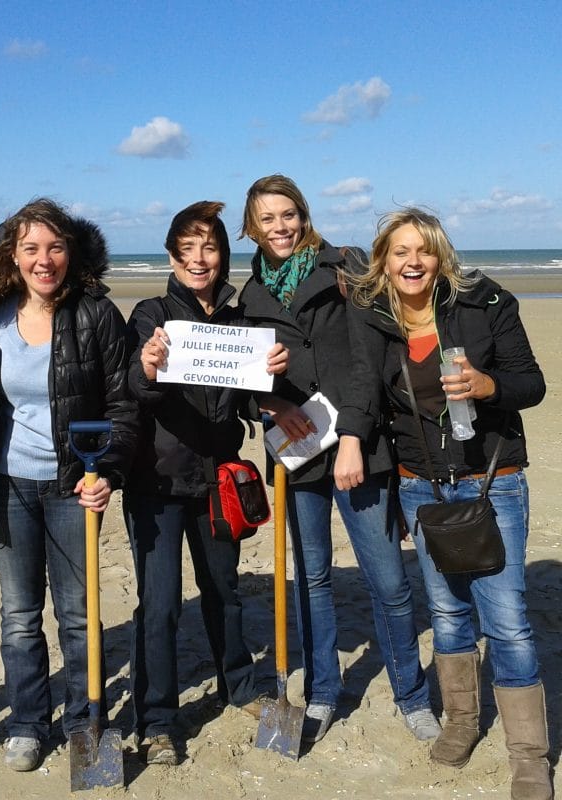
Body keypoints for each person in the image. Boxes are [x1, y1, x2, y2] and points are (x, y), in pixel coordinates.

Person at [349, 208, 550, 799]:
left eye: (424, 250)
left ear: (441, 256)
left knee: (507, 621)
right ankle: (462, 721)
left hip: (493, 481)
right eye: (400, 252)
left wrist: (488, 386)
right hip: (422, 486)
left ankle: (529, 755)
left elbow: (532, 384)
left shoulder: (485, 304)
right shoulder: (375, 320)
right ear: (383, 261)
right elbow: (362, 397)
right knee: (447, 612)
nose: (413, 262)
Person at [236, 175, 440, 744]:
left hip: (360, 445)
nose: (280, 227)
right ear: (252, 228)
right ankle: (323, 692)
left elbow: (371, 360)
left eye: (288, 214)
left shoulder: (346, 267)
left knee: (388, 580)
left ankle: (411, 694)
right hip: (297, 452)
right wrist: (270, 403)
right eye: (267, 218)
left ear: (303, 215)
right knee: (313, 579)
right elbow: (239, 383)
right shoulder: (248, 296)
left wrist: (353, 434)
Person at [0, 198, 137, 772]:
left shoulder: (97, 315)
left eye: (55, 247)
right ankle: (28, 723)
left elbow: (124, 405)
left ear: (71, 253)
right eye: (31, 248)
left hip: (74, 485)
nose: (43, 260)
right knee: (20, 613)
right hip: (4, 484)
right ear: (12, 254)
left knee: (77, 613)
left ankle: (83, 720)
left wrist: (110, 472)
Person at [124, 201, 289, 765]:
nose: (199, 259)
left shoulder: (240, 324)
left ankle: (238, 685)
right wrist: (147, 368)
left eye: (210, 248)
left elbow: (249, 401)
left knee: (224, 591)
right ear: (172, 257)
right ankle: (157, 719)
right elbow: (135, 388)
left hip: (220, 479)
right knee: (161, 604)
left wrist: (270, 378)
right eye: (188, 249)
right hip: (156, 482)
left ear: (223, 256)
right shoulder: (151, 315)